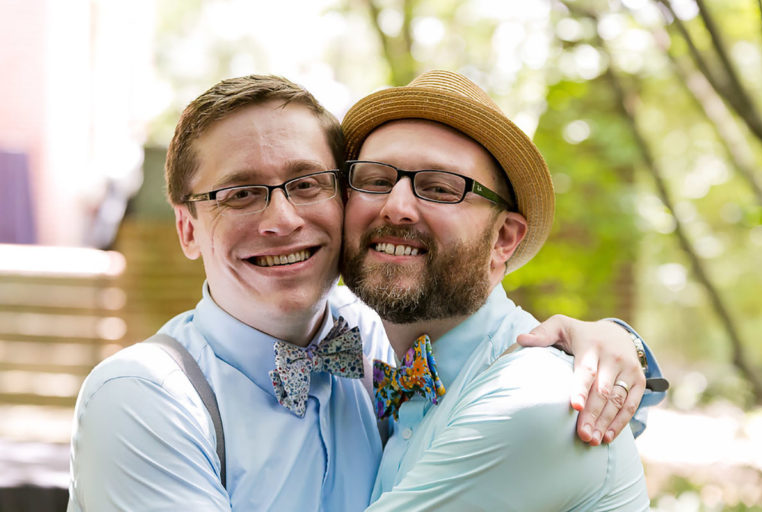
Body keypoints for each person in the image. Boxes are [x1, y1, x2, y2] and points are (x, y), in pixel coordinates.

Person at [67, 74, 663, 511]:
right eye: (241, 193)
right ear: (187, 228)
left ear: (504, 238)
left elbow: (549, 418)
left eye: (305, 183)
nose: (281, 220)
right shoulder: (145, 398)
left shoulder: (533, 395)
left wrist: (610, 345)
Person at [340, 70, 663, 510]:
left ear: (503, 239)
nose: (395, 206)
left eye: (440, 188)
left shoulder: (537, 399)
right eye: (375, 181)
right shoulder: (360, 353)